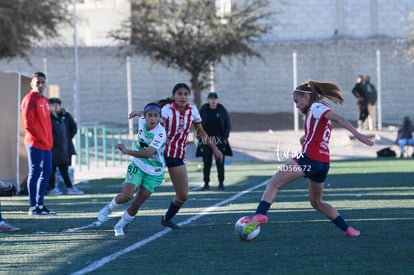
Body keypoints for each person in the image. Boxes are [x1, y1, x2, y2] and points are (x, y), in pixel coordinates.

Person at [242, 80, 374, 238]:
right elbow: (317, 133)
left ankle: (259, 215)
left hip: (310, 159)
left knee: (273, 183)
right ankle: (348, 229)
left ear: (306, 97)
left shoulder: (317, 107)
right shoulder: (315, 112)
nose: (296, 105)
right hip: (322, 164)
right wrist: (304, 139)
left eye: (297, 101)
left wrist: (358, 135)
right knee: (317, 203)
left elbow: (338, 118)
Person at [130, 83, 223, 229]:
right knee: (142, 194)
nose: (183, 96)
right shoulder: (166, 110)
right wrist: (140, 113)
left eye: (186, 94)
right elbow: (152, 119)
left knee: (183, 195)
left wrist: (215, 148)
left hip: (176, 155)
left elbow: (200, 131)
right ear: (174, 96)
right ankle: (127, 219)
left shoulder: (192, 110)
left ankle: (166, 218)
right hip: (158, 154)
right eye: (180, 93)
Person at [97, 103, 167, 236]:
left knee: (137, 202)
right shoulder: (142, 120)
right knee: (127, 195)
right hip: (138, 165)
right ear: (145, 117)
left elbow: (148, 153)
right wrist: (136, 112)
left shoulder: (160, 132)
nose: (152, 119)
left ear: (159, 118)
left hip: (155, 172)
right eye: (149, 115)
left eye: (156, 116)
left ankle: (119, 226)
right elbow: (142, 114)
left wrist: (127, 151)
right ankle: (108, 209)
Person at [20, 72, 56, 215]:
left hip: (47, 144)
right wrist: (40, 138)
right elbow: (28, 124)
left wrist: (49, 140)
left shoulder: (45, 101)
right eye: (37, 82)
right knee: (35, 172)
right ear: (32, 84)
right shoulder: (29, 100)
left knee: (46, 173)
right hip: (35, 143)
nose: (40, 85)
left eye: (42, 82)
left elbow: (47, 123)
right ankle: (32, 206)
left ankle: (40, 205)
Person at [196, 91, 232, 191]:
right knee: (206, 162)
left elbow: (227, 125)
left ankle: (221, 183)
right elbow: (197, 124)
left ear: (217, 100)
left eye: (215, 98)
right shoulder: (204, 109)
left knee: (220, 162)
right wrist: (199, 138)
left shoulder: (221, 110)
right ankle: (206, 184)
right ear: (208, 100)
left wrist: (225, 138)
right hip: (206, 140)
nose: (213, 100)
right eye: (211, 98)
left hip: (219, 140)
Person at [48, 98, 84, 195]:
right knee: (52, 170)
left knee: (65, 169)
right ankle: (53, 188)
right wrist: (56, 140)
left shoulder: (65, 116)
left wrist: (67, 138)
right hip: (53, 149)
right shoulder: (47, 117)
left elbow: (73, 127)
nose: (55, 107)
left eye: (57, 105)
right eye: (53, 105)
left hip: (65, 148)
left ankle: (70, 188)